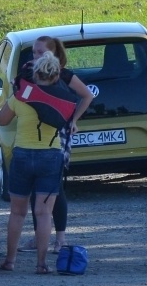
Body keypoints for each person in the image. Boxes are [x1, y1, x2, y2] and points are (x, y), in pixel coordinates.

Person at [0, 52, 78, 273]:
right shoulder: (62, 100)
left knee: (17, 212)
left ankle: (10, 261)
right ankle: (41, 264)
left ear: (35, 73)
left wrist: (13, 97)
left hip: (22, 155)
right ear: (55, 76)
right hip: (50, 156)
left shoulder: (22, 96)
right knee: (43, 214)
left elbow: (1, 120)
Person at [18, 36, 94, 252]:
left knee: (55, 186)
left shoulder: (63, 74)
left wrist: (73, 121)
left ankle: (60, 239)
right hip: (32, 135)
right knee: (36, 186)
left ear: (53, 54)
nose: (36, 56)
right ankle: (38, 238)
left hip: (58, 134)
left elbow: (87, 96)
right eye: (34, 52)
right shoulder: (28, 74)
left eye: (41, 52)